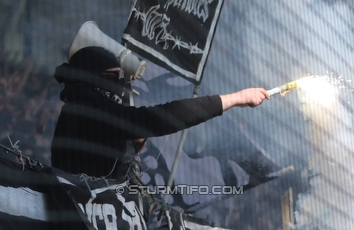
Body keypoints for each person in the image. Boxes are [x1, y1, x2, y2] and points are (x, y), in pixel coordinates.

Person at [50, 45, 269, 179]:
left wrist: (132, 144)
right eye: (112, 78)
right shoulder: (86, 112)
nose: (118, 86)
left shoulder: (83, 112)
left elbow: (103, 162)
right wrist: (234, 99)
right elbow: (162, 118)